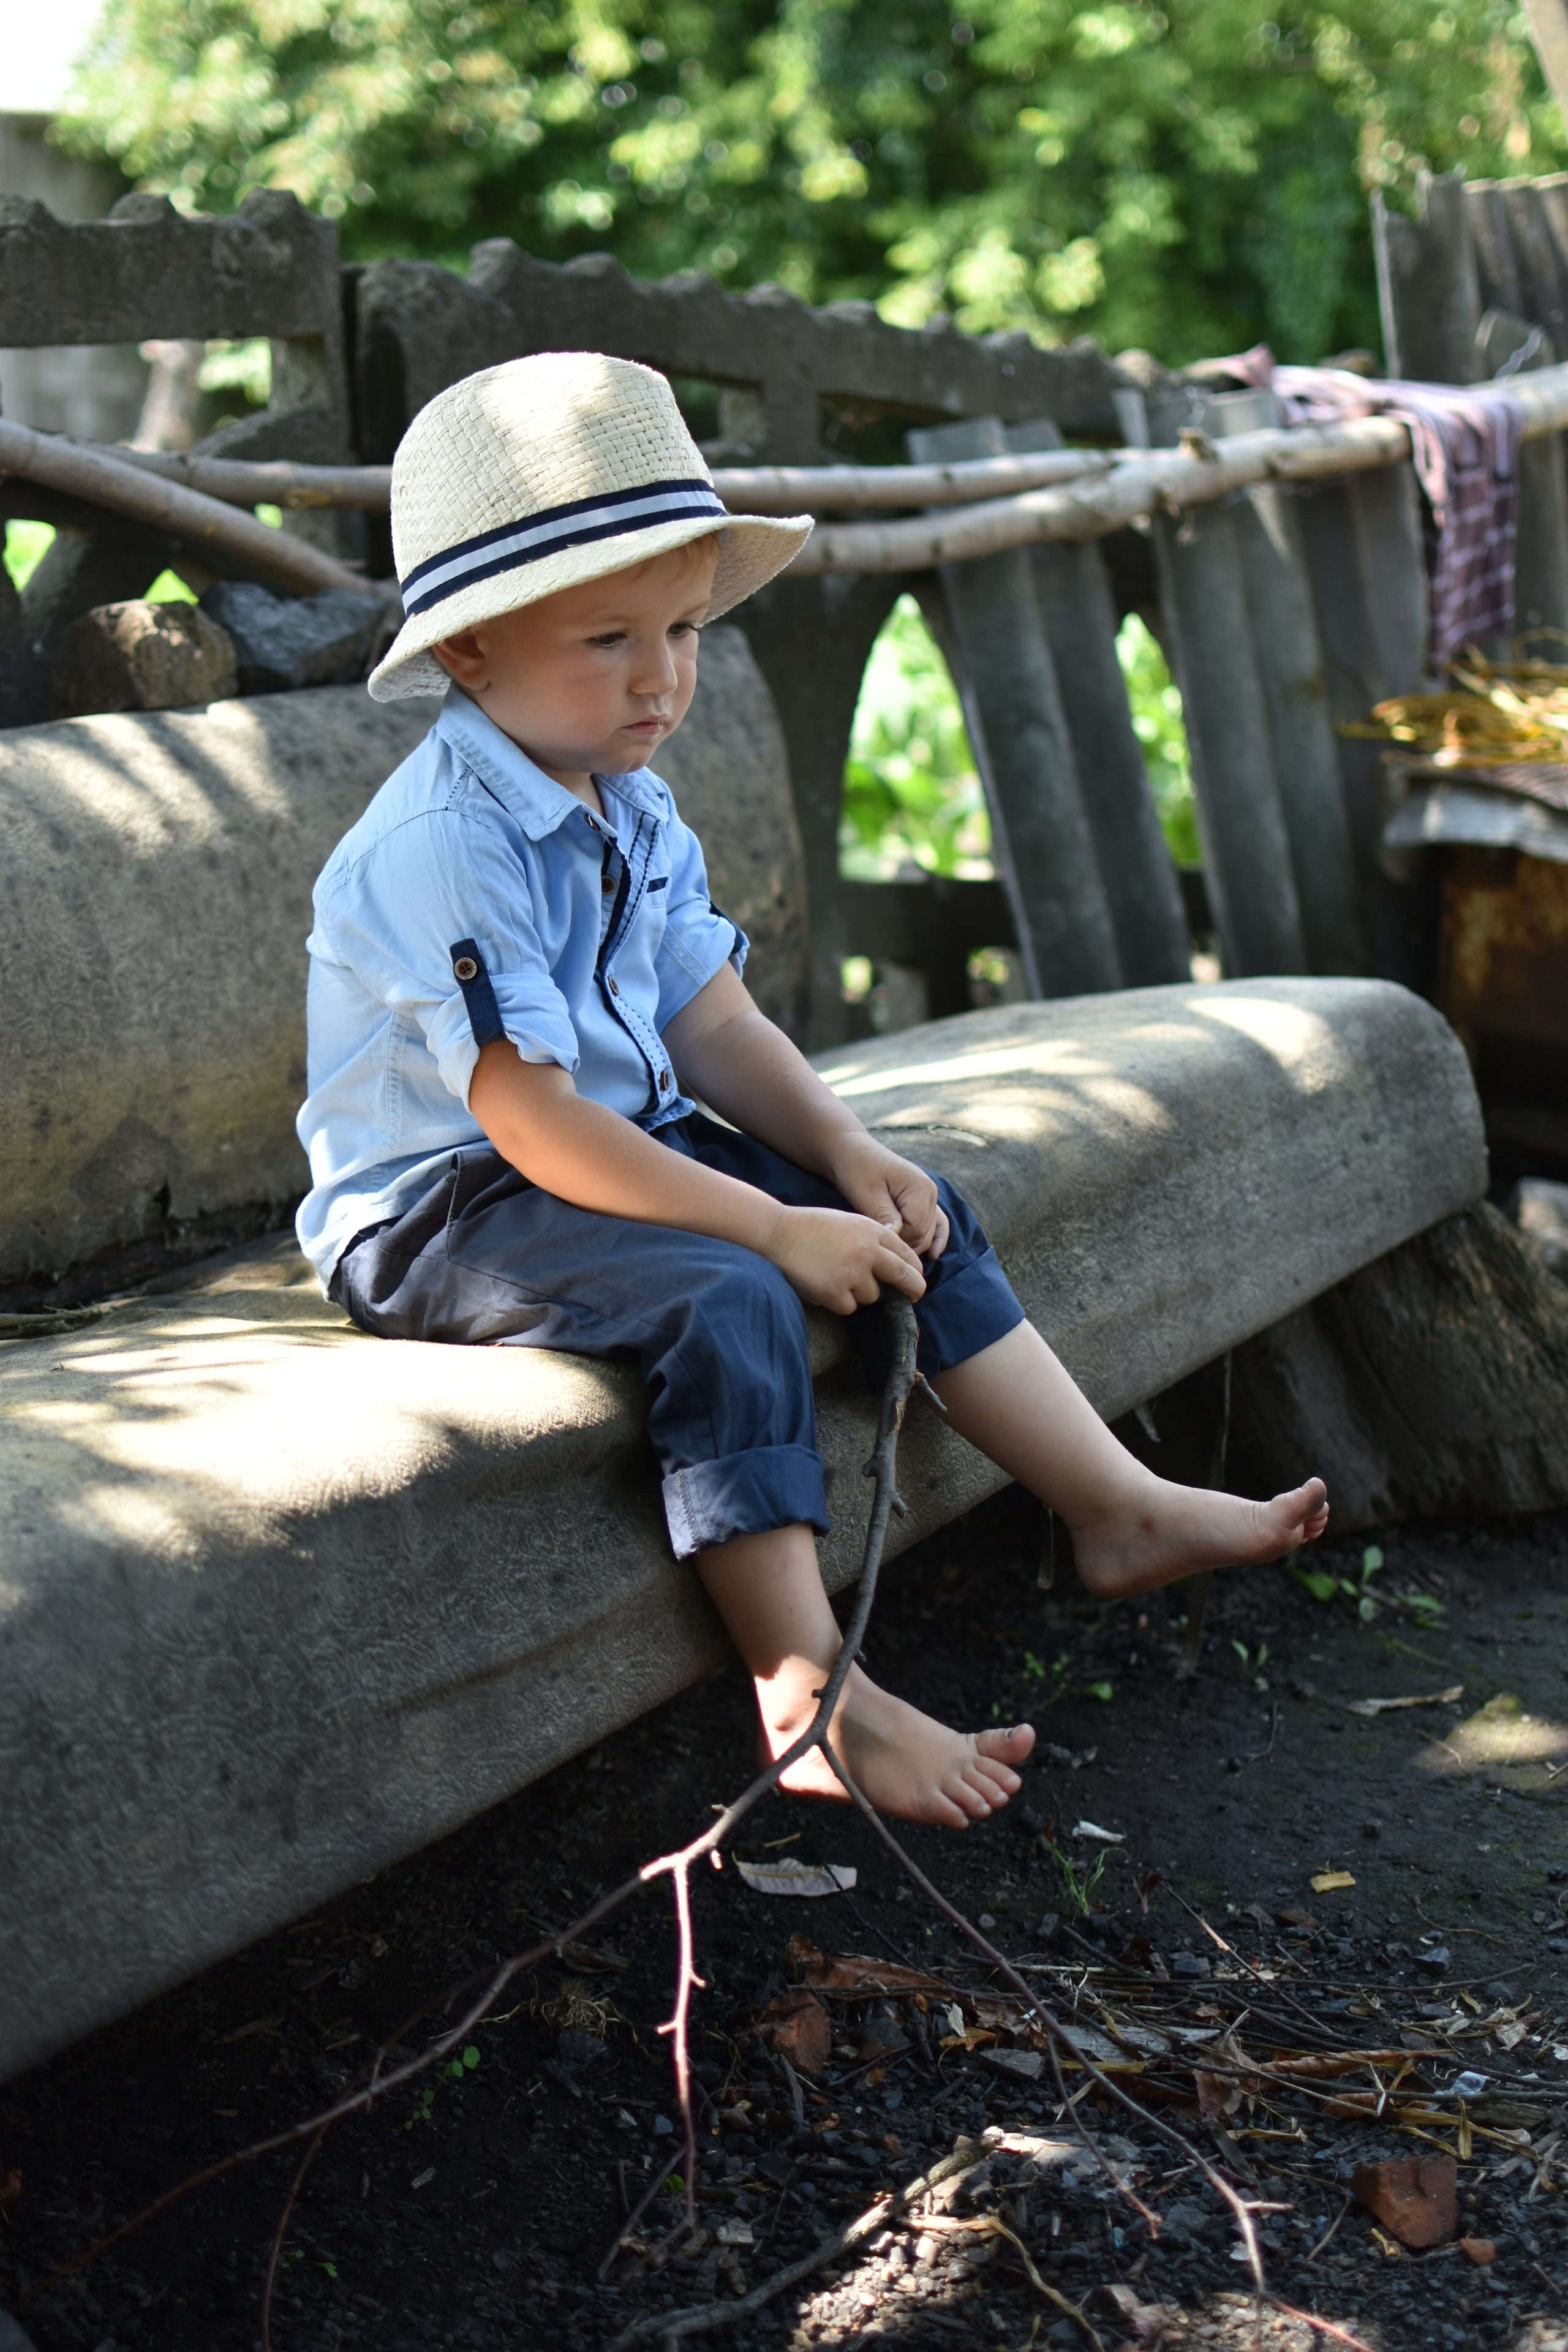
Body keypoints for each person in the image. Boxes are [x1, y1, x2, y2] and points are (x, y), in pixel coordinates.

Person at [296, 352, 1329, 1833]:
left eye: (685, 631)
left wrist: (840, 1152)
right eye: (608, 640)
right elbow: (527, 1119)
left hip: (613, 1152)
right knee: (726, 1300)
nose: (660, 680)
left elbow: (706, 1018)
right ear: (468, 653)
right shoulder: (445, 844)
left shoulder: (621, 797)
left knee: (909, 1204)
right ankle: (804, 1687)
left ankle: (1109, 1501)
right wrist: (768, 1233)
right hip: (444, 1203)